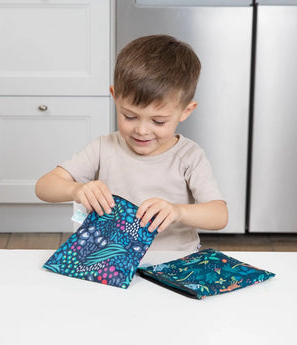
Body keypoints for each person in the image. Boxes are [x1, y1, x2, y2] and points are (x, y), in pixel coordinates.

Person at [35, 34, 228, 251]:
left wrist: (178, 211)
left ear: (186, 111)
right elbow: (44, 187)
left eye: (158, 121)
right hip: (107, 262)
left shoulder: (189, 156)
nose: (142, 130)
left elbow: (219, 215)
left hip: (173, 264)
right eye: (129, 116)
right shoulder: (103, 148)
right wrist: (77, 190)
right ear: (115, 97)